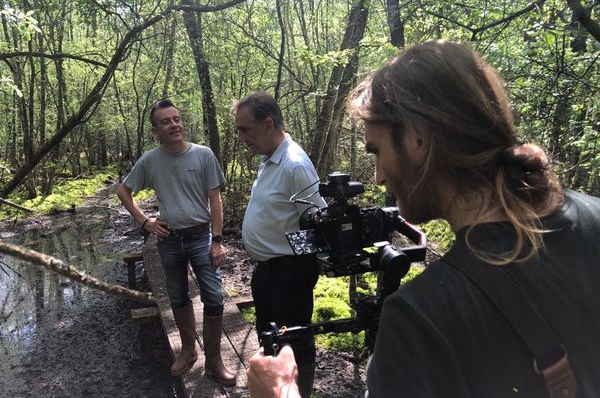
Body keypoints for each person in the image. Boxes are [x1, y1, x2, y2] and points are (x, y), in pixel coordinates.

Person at [246, 41, 600, 397]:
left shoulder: (420, 320)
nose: (378, 176)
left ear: (418, 139)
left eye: (378, 153)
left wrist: (280, 393)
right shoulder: (592, 217)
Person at [117, 99, 236, 385]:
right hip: (169, 240)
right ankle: (188, 350)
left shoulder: (203, 155)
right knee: (178, 297)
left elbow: (215, 200)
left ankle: (214, 360)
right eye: (166, 121)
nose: (174, 125)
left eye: (177, 119)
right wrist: (145, 221)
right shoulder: (150, 160)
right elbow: (123, 191)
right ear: (155, 130)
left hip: (201, 236)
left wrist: (217, 240)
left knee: (214, 297)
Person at [231, 92, 327, 398]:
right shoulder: (268, 158)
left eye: (246, 129)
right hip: (268, 270)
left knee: (295, 342)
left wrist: (299, 271)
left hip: (289, 272)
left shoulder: (295, 164)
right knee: (270, 337)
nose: (241, 137)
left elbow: (316, 222)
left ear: (269, 124)